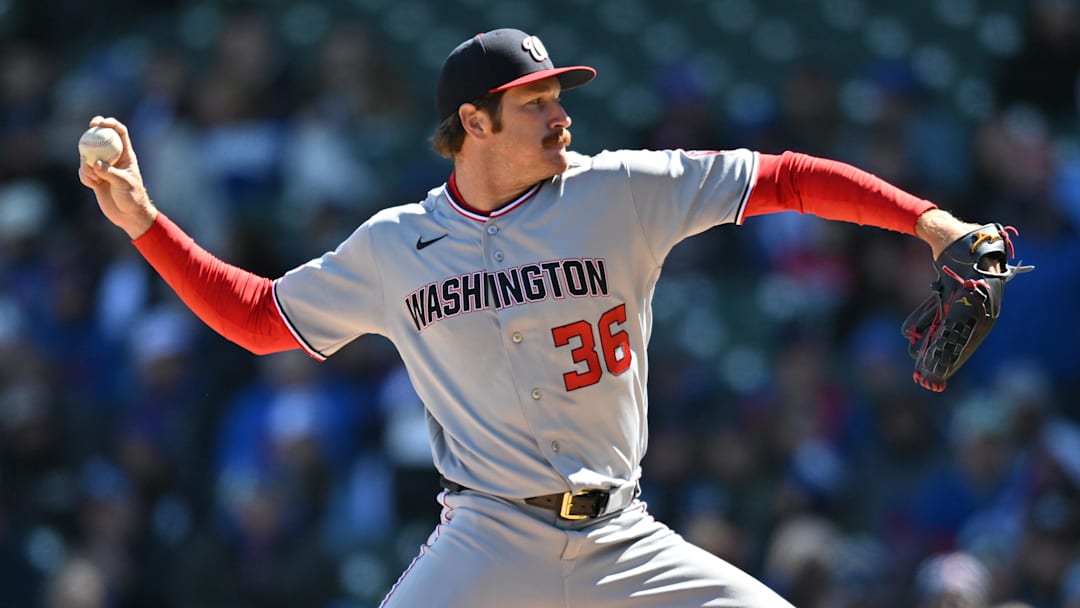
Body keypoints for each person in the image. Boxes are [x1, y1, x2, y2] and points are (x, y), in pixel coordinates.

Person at [80, 27, 1000, 608]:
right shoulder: (397, 245)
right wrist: (146, 225)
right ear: (473, 124)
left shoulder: (621, 191)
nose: (562, 116)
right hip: (488, 537)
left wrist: (931, 223)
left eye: (561, 98)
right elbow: (258, 318)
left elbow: (786, 177)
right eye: (538, 103)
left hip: (623, 538)